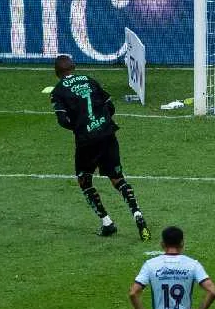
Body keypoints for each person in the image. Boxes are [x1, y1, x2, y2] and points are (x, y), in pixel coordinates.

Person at [50, 54, 149, 240]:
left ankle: (107, 223)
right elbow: (110, 106)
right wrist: (101, 122)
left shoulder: (58, 91)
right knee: (117, 179)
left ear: (57, 73)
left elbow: (63, 120)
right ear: (74, 66)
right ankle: (137, 214)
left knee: (84, 180)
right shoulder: (90, 80)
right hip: (108, 134)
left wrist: (80, 126)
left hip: (87, 141)